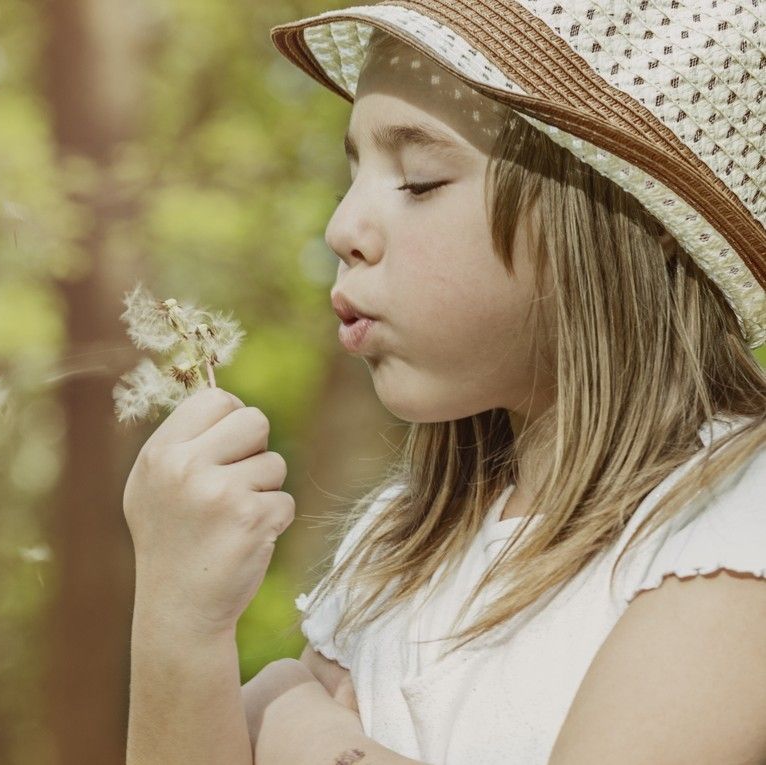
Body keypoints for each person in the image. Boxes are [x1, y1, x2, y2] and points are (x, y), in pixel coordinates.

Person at [123, 2, 766, 764]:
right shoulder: (399, 546)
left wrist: (308, 733)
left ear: (630, 216)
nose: (340, 228)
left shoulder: (731, 528)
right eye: (352, 172)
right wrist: (178, 619)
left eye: (420, 179)